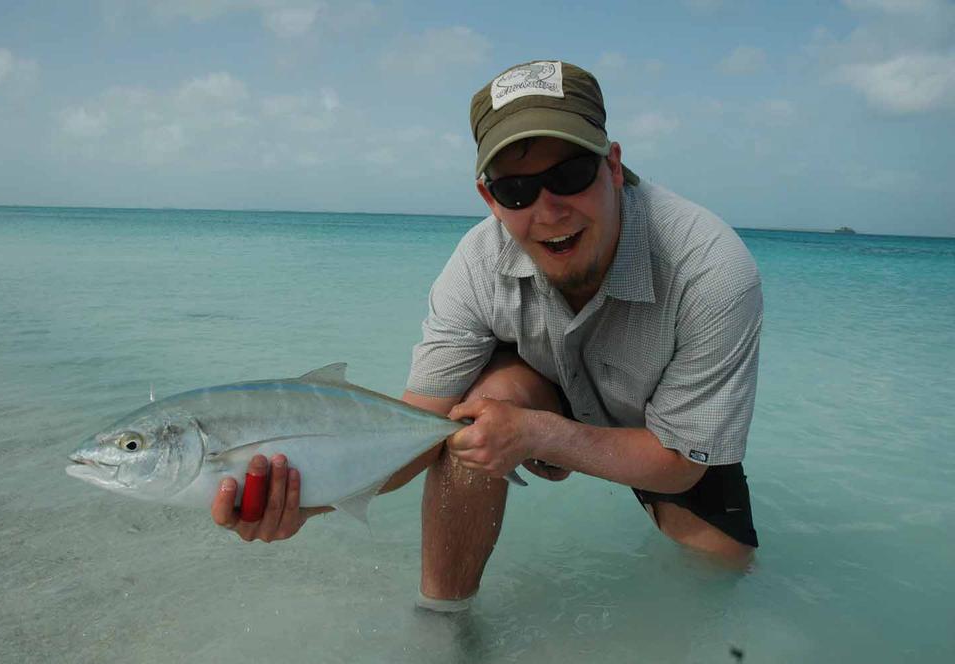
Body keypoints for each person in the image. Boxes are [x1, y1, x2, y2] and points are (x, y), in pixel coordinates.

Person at [211, 60, 762, 613]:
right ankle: (443, 622)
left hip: (664, 433)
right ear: (488, 197)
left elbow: (683, 462)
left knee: (723, 574)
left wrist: (541, 436)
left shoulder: (710, 269)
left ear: (614, 166)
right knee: (469, 422)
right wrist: (310, 500)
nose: (549, 211)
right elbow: (413, 430)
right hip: (535, 392)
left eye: (570, 175)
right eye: (516, 190)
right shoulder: (475, 266)